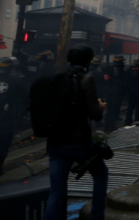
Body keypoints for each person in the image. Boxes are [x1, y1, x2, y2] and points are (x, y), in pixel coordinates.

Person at [44, 45, 108, 220]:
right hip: (77, 142)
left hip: (55, 142)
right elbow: (95, 114)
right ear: (88, 61)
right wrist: (101, 106)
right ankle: (96, 216)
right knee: (100, 174)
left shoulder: (56, 78)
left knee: (57, 189)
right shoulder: (87, 79)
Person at [0, 56, 25, 175]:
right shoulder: (16, 81)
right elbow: (25, 99)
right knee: (3, 142)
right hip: (6, 117)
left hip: (5, 116)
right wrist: (20, 115)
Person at [103, 55, 127, 132]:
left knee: (109, 110)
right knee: (113, 110)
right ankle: (111, 127)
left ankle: (107, 127)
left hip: (110, 91)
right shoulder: (116, 69)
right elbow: (117, 81)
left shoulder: (110, 67)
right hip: (115, 92)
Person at [124, 56, 139, 125]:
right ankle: (137, 121)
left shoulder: (131, 68)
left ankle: (127, 120)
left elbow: (126, 79)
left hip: (131, 91)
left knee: (130, 106)